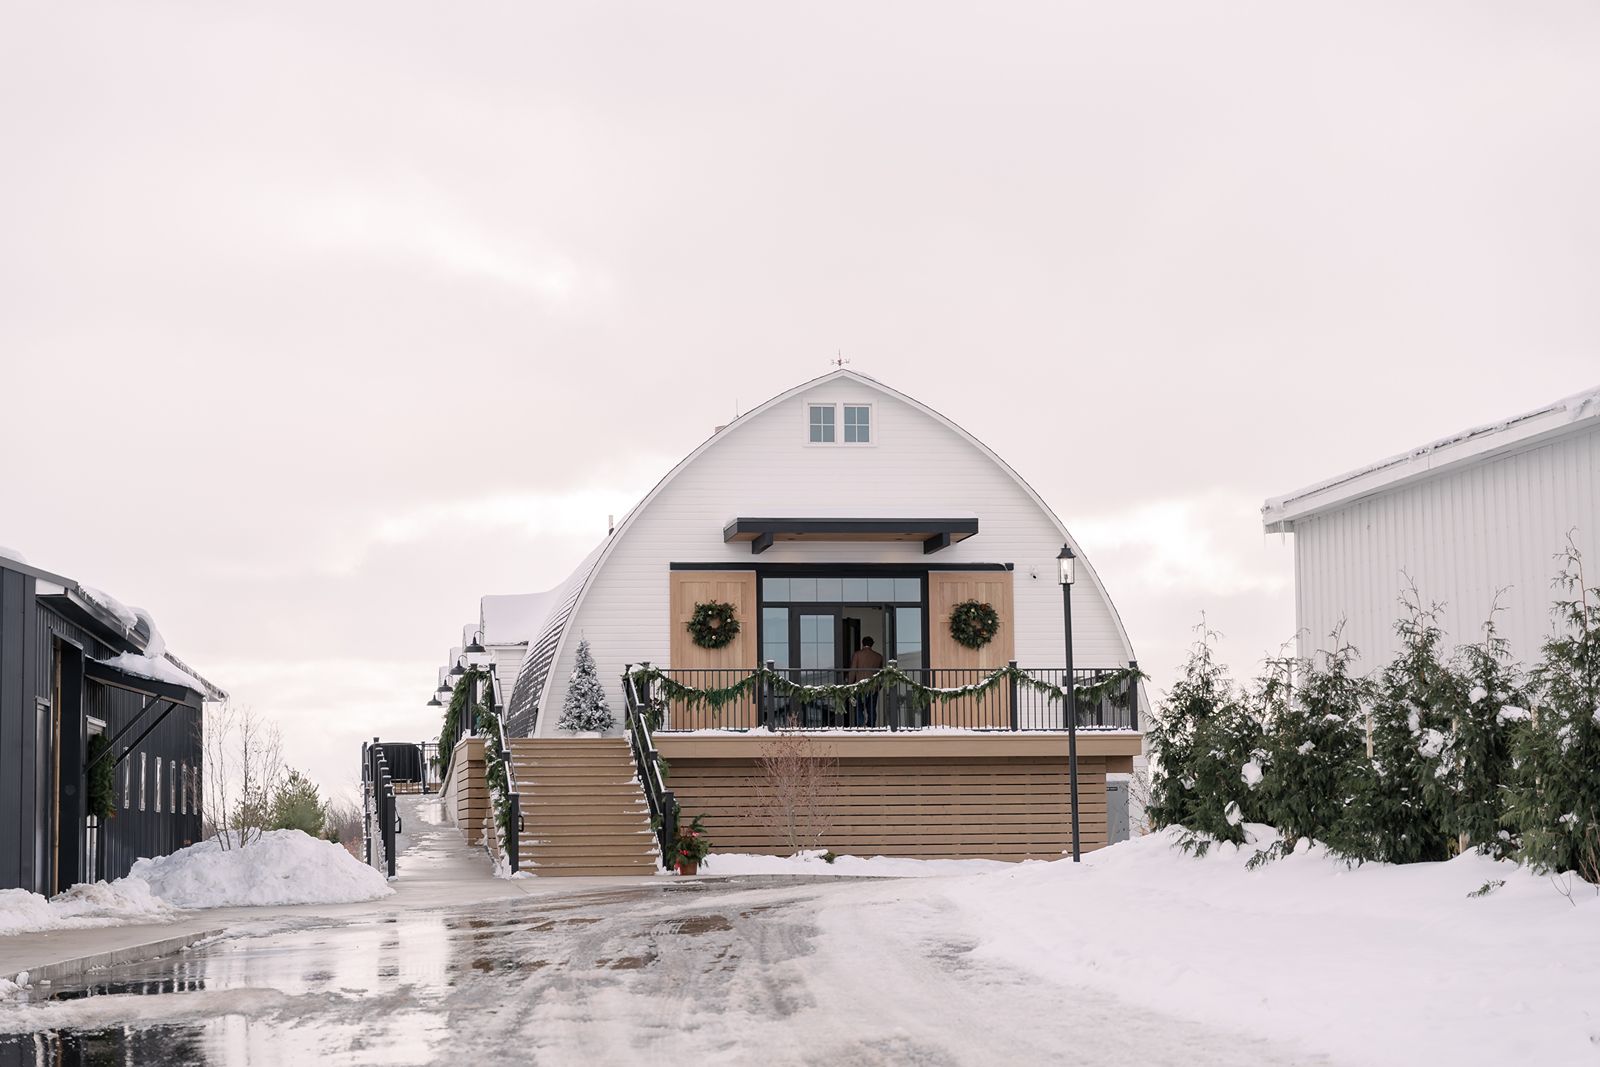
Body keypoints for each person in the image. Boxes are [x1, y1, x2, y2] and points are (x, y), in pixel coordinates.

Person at [849, 636, 885, 727]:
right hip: (873, 687)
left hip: (860, 686)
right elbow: (881, 673)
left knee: (859, 707)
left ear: (862, 643)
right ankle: (871, 726)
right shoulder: (878, 656)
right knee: (871, 708)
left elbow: (853, 671)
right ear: (872, 644)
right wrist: (879, 686)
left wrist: (850, 685)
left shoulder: (857, 654)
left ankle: (861, 725)